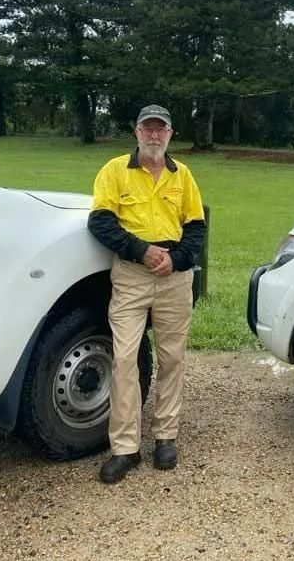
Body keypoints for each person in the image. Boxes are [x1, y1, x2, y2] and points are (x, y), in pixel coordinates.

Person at [88, 104, 207, 484]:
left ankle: (165, 437)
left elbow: (196, 227)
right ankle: (124, 448)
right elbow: (101, 222)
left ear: (170, 134)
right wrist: (141, 250)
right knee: (124, 360)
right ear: (136, 133)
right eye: (147, 129)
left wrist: (177, 259)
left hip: (174, 277)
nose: (154, 135)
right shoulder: (114, 171)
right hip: (132, 275)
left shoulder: (182, 175)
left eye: (161, 129)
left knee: (172, 359)